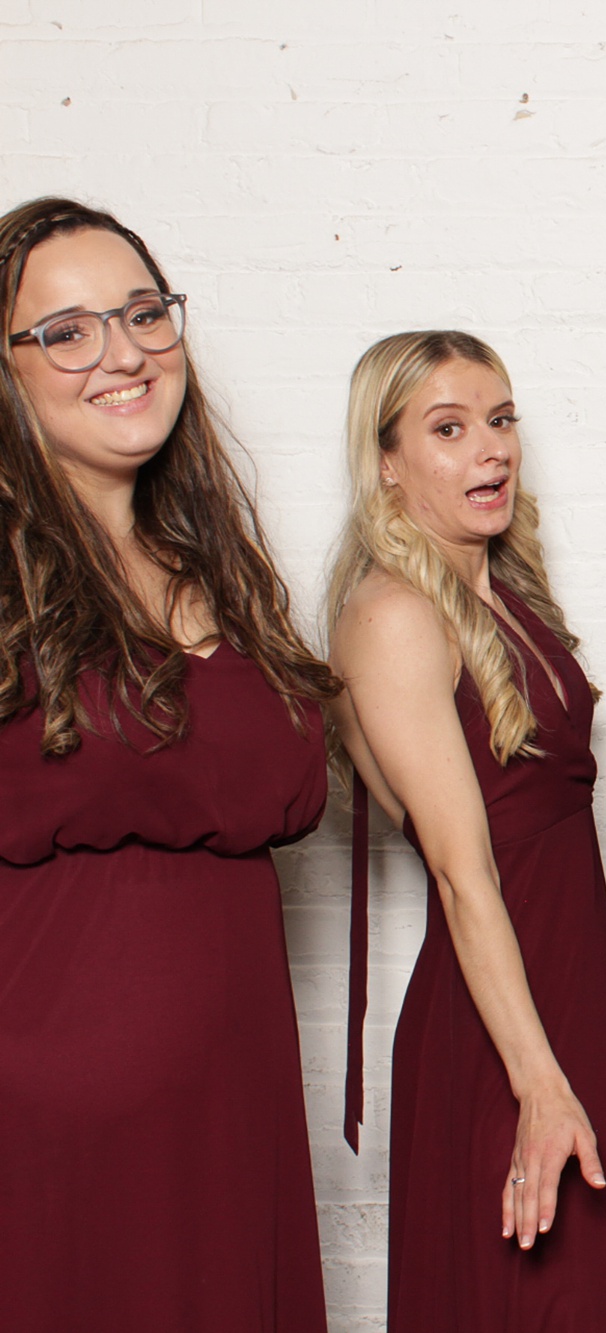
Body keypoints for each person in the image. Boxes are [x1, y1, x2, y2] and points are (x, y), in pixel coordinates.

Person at [0, 197, 334, 1330]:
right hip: (42, 1128)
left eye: (143, 313)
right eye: (68, 332)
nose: (124, 352)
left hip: (229, 1109)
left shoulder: (220, 569)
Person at [327, 331, 606, 1330]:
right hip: (498, 1033)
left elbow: (556, 845)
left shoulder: (503, 596)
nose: (492, 448)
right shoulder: (393, 614)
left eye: (501, 419)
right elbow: (460, 871)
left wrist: (586, 1025)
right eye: (449, 428)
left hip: (558, 999)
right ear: (386, 461)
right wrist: (538, 1079)